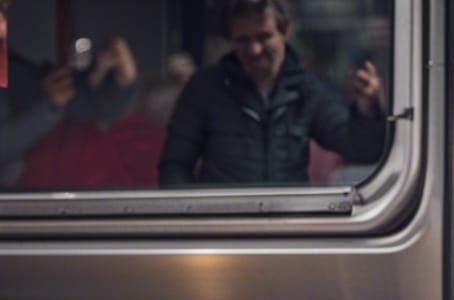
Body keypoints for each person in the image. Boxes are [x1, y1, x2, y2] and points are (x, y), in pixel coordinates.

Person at [158, 0, 385, 187]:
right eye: (243, 40)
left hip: (288, 227)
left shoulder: (306, 89)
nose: (254, 49)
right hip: (222, 228)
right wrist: (194, 220)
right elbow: (175, 165)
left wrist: (367, 108)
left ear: (284, 31)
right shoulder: (205, 88)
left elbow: (360, 149)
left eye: (263, 36)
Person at [0, 0, 139, 187]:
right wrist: (49, 104)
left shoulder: (11, 66)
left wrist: (117, 77)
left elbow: (74, 99)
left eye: (4, 9)